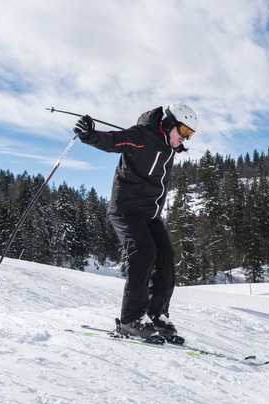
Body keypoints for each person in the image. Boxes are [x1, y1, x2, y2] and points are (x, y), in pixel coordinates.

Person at [73, 103, 198, 343]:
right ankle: (131, 319)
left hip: (150, 215)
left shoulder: (169, 147)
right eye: (183, 131)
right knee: (143, 252)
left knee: (166, 257)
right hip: (125, 211)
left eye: (190, 135)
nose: (185, 138)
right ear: (169, 124)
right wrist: (88, 135)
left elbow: (167, 148)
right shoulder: (142, 137)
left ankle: (157, 315)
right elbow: (112, 141)